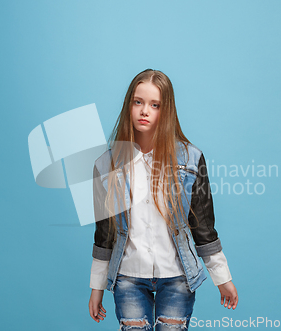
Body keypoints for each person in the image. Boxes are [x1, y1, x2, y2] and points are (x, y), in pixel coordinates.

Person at [88, 69, 238, 330]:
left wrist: (222, 278)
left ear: (165, 111)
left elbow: (203, 226)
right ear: (129, 105)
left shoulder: (191, 160)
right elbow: (104, 234)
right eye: (138, 102)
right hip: (128, 278)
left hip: (177, 277)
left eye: (154, 105)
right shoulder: (106, 166)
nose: (144, 111)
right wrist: (97, 287)